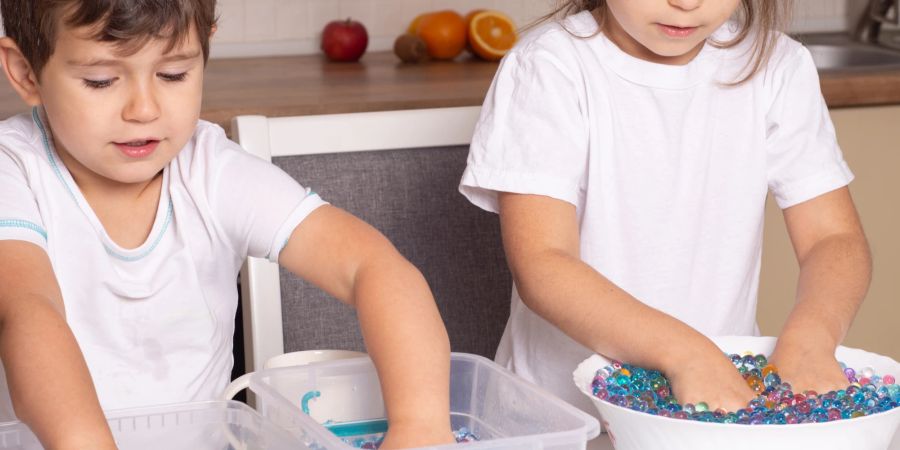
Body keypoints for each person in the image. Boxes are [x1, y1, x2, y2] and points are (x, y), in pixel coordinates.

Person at [0, 1, 455, 448]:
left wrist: (420, 424)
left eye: (173, 74)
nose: (143, 109)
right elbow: (28, 312)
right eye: (100, 81)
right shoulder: (13, 168)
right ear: (25, 72)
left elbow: (371, 266)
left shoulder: (212, 171)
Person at [460, 0, 872, 416]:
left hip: (720, 406)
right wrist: (687, 354)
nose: (687, 3)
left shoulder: (777, 65)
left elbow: (831, 237)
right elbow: (543, 263)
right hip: (559, 414)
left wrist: (811, 339)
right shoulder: (549, 65)